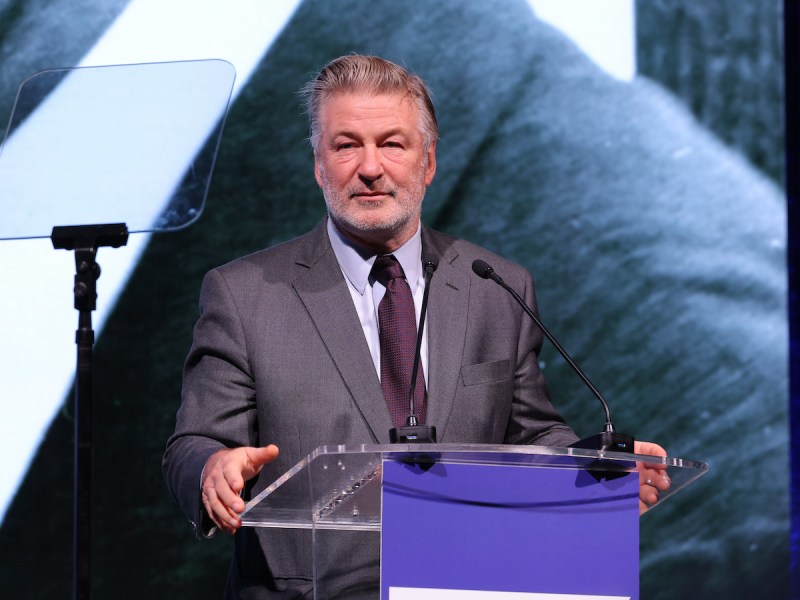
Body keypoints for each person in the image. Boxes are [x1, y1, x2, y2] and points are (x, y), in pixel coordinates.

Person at [163, 54, 668, 599]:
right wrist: (212, 469)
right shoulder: (244, 294)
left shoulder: (496, 286)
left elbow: (530, 434)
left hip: (470, 582)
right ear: (318, 163)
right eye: (346, 144)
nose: (370, 167)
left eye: (392, 144)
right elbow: (192, 444)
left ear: (428, 162)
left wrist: (592, 472)